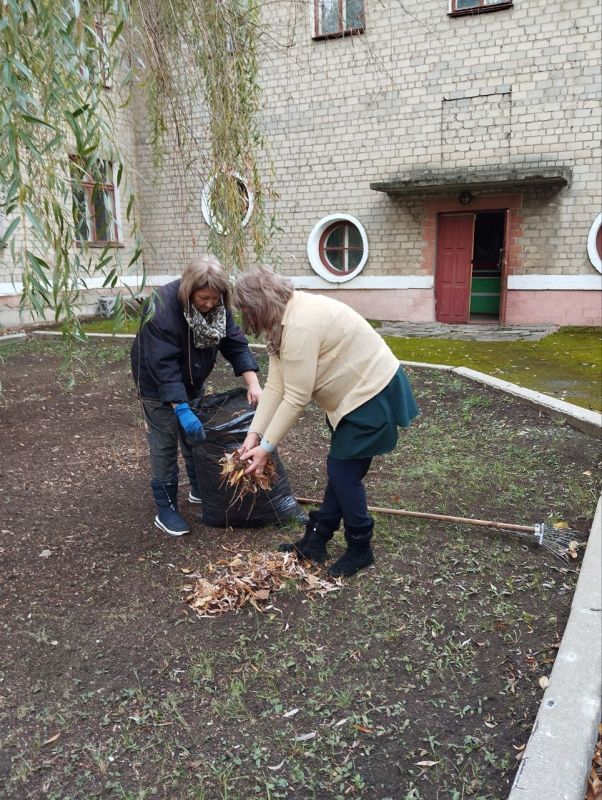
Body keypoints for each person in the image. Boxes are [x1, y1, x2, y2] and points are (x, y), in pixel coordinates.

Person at [232, 267, 419, 577]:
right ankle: (316, 541)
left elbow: (295, 396)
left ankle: (361, 547)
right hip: (355, 398)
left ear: (260, 305)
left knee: (343, 471)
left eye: (248, 312)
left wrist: (265, 449)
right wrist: (253, 435)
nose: (247, 320)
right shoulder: (283, 322)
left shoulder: (300, 324)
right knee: (342, 469)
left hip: (372, 394)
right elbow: (277, 386)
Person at [131, 255, 261, 537]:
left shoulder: (218, 308)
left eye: (215, 299)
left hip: (192, 380)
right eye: (203, 298)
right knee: (165, 441)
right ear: (189, 291)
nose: (209, 305)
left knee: (195, 436)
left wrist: (253, 383)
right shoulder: (162, 308)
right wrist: (180, 407)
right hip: (155, 383)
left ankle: (197, 489)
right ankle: (165, 509)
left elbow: (234, 343)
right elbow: (163, 365)